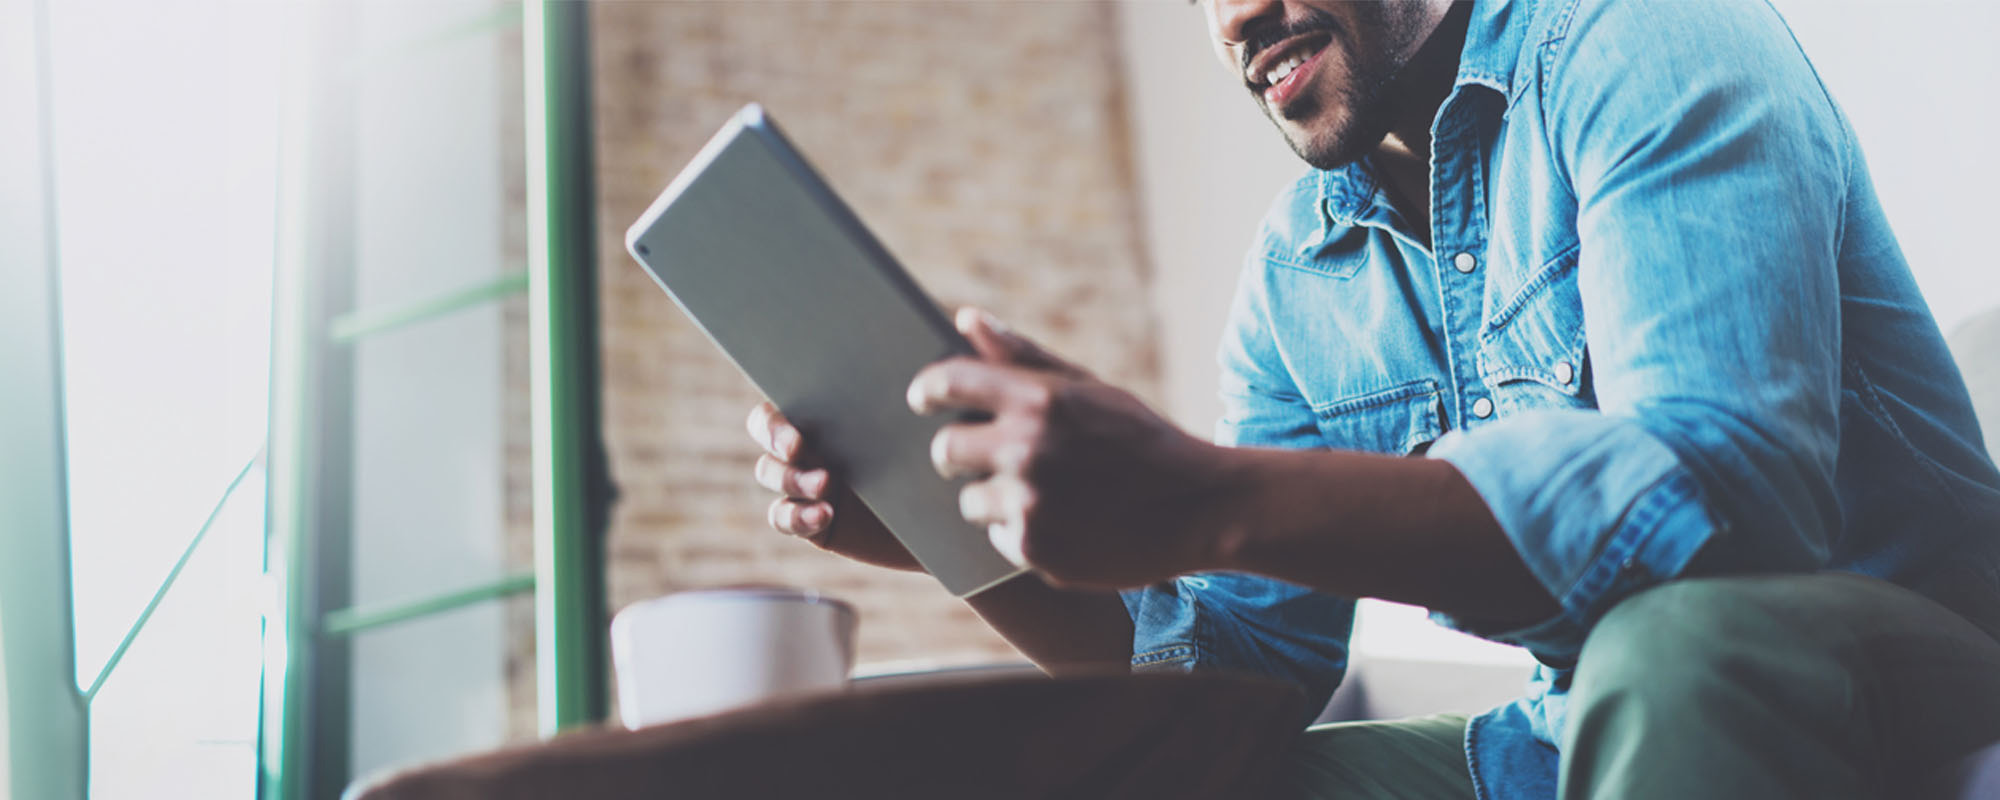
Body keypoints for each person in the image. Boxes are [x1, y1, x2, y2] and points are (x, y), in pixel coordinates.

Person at [744, 0, 2000, 796]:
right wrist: (949, 522)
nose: (1238, 14)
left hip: (1906, 651)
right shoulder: (1295, 280)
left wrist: (1206, 494)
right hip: (1567, 722)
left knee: (1676, 646)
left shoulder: (1643, 41)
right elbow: (1241, 673)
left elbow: (1726, 503)